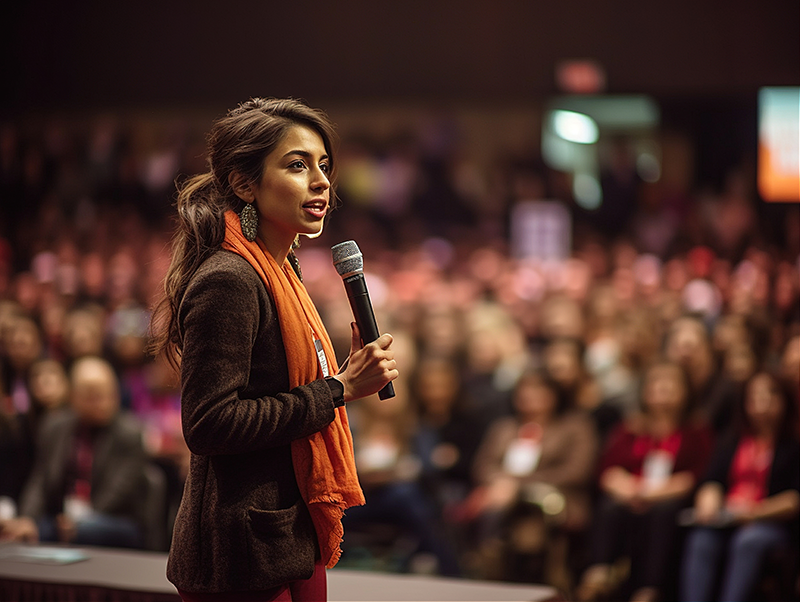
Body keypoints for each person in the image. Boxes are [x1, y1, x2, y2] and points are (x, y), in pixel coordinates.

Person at [148, 98, 398, 602]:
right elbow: (209, 423)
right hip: (242, 554)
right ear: (244, 184)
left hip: (286, 531)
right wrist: (339, 389)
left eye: (324, 165)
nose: (322, 181)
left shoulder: (283, 268)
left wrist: (342, 378)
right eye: (297, 164)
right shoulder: (230, 278)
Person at [576, 360, 714, 602]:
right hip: (629, 494)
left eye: (671, 384)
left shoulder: (696, 432)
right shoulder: (629, 429)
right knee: (608, 507)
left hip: (668, 499)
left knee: (663, 512)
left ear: (686, 391)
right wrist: (628, 489)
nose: (663, 389)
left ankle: (649, 590)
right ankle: (598, 575)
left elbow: (695, 475)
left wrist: (649, 494)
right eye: (656, 383)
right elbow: (607, 470)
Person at [0, 355, 148, 548]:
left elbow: (118, 492)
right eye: (93, 396)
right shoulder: (55, 427)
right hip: (61, 519)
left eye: (107, 394)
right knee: (24, 530)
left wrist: (78, 520)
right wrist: (27, 518)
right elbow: (40, 481)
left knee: (80, 530)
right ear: (74, 396)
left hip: (114, 520)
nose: (102, 402)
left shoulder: (130, 433)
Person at [679, 370, 800, 602]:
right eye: (754, 397)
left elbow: (794, 500)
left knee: (748, 541)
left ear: (785, 401)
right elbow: (711, 480)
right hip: (728, 517)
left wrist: (752, 513)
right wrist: (709, 499)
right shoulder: (731, 441)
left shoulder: (793, 446)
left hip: (770, 522)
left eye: (770, 396)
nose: (761, 405)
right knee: (701, 539)